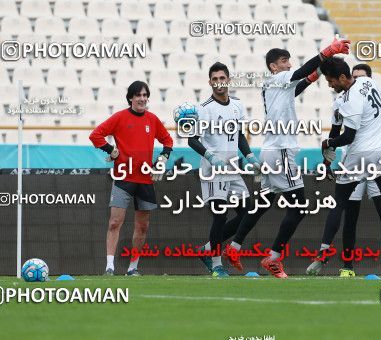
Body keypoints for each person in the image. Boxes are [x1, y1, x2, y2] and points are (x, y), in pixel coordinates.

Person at [225, 38, 351, 278]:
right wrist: (327, 52)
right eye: (284, 61)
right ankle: (273, 258)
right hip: (282, 150)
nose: (288, 64)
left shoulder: (276, 85)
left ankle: (234, 247)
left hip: (271, 150)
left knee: (263, 202)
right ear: (273, 66)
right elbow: (301, 73)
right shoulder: (278, 78)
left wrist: (316, 74)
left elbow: (300, 83)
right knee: (299, 207)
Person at [312, 58, 381, 277]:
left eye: (331, 81)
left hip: (359, 155)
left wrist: (327, 144)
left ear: (342, 77)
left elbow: (348, 136)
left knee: (340, 202)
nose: (330, 85)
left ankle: (323, 251)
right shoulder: (370, 83)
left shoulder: (349, 100)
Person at [89, 81, 173, 276]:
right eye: (138, 95)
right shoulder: (120, 117)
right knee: (114, 222)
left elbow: (167, 141)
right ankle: (109, 266)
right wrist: (111, 150)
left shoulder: (152, 119)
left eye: (145, 95)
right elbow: (96, 135)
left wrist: (162, 159)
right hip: (123, 179)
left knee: (142, 227)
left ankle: (133, 268)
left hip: (145, 179)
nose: (142, 99)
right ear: (131, 98)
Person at [187, 62, 260, 277]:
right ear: (210, 82)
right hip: (213, 169)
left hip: (232, 168)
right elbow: (192, 139)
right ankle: (217, 264)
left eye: (222, 78)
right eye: (215, 79)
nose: (219, 82)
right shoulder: (204, 109)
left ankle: (207, 249)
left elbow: (237, 135)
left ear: (228, 80)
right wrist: (210, 156)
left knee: (249, 212)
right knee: (220, 215)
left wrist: (249, 156)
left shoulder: (237, 105)